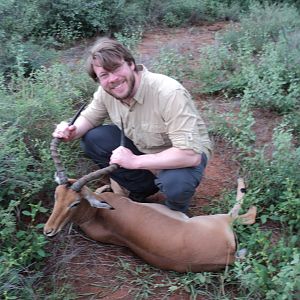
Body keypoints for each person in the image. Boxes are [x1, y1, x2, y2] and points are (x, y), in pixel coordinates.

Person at [53, 37, 212, 213]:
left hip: (180, 154)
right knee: (92, 138)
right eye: (104, 75)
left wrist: (134, 161)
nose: (112, 79)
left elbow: (190, 156)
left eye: (116, 68)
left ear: (130, 64)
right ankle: (142, 188)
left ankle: (177, 212)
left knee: (176, 183)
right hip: (143, 147)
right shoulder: (106, 91)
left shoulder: (168, 93)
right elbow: (89, 119)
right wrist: (70, 131)